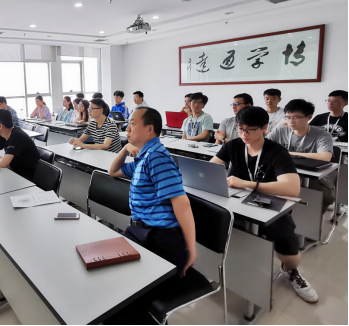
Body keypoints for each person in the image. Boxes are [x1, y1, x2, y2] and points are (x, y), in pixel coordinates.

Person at [210, 106, 318, 303]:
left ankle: (291, 271)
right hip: (235, 202)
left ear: (264, 128)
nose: (244, 134)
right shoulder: (233, 145)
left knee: (289, 251)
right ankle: (212, 264)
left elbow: (292, 188)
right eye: (240, 129)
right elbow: (211, 167)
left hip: (270, 204)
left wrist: (247, 184)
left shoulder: (276, 152)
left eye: (249, 130)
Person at [108, 107, 196, 276]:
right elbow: (113, 171)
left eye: (133, 123)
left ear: (149, 129)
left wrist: (190, 248)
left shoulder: (156, 157)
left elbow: (182, 204)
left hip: (159, 239)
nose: (127, 128)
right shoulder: (144, 157)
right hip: (142, 232)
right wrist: (125, 149)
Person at [267, 99, 335, 213]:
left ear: (309, 117)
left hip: (313, 178)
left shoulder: (322, 135)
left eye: (296, 117)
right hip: (283, 173)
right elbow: (263, 148)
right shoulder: (280, 131)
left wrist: (289, 153)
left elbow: (325, 157)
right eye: (288, 117)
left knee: (321, 197)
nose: (291, 121)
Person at [0, 109, 40, 182]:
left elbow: (3, 164)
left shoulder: (17, 136)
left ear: (0, 126)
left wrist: (1, 160)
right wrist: (0, 158)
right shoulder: (2, 135)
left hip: (28, 177)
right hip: (16, 172)